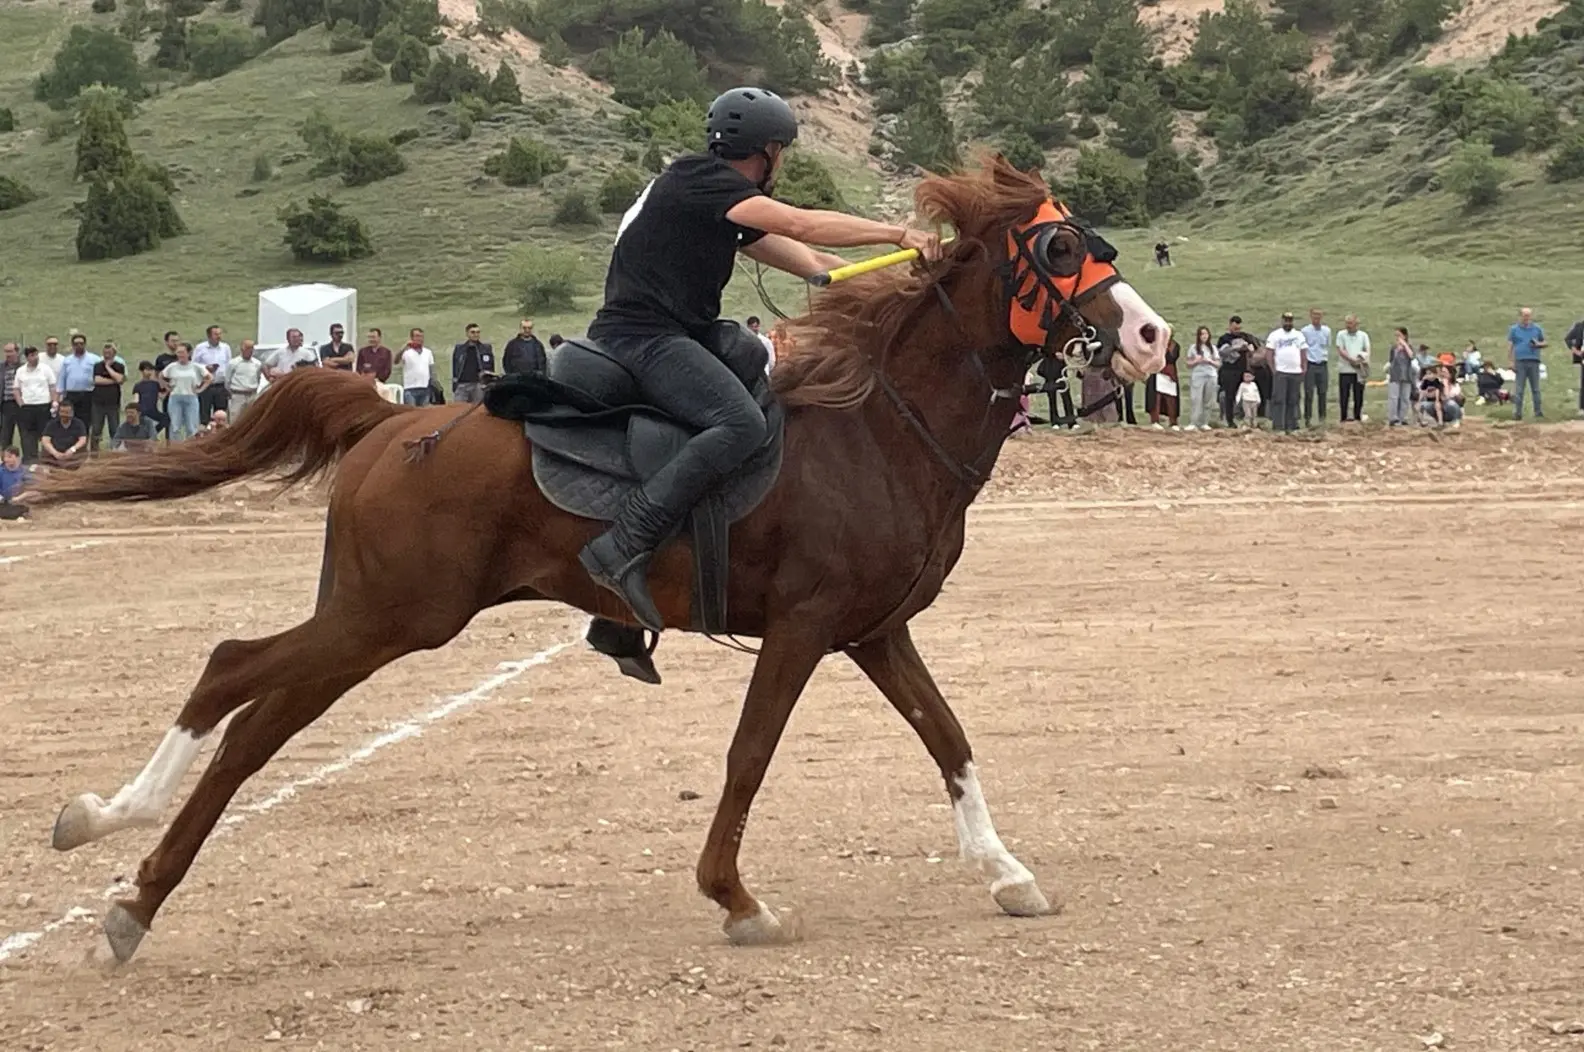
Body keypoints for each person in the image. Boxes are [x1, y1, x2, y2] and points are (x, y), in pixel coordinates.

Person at [577, 85, 942, 631]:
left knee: (752, 358)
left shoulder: (719, 203)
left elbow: (815, 260)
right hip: (640, 336)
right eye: (782, 152)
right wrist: (898, 233)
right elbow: (800, 224)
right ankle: (625, 541)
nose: (783, 163)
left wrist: (909, 278)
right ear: (767, 150)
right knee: (740, 423)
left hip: (683, 332)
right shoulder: (701, 181)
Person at [1508, 306, 1545, 421]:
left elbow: (1544, 342)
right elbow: (1510, 346)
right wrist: (1510, 361)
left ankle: (1538, 411)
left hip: (1534, 360)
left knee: (1535, 388)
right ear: (1520, 316)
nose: (1526, 318)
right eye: (1524, 315)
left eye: (1528, 315)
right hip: (1520, 361)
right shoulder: (1514, 329)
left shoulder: (1537, 329)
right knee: (1519, 388)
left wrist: (1538, 344)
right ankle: (1517, 413)